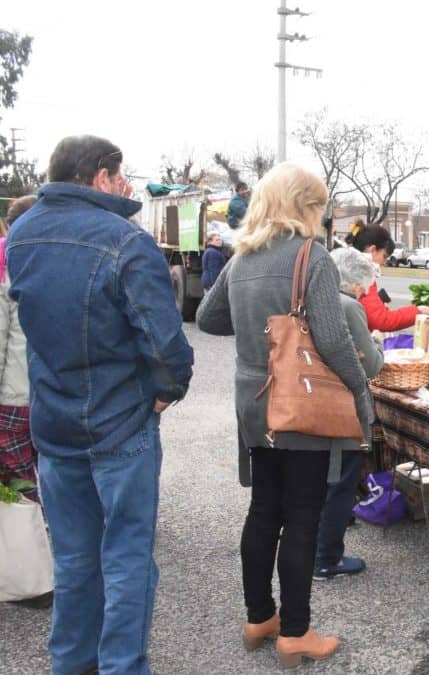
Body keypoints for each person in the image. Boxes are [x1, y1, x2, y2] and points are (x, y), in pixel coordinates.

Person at [6, 135, 194, 675]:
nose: (127, 185)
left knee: (74, 561)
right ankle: (120, 668)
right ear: (96, 176)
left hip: (54, 423)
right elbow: (167, 346)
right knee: (127, 558)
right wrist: (165, 394)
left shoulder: (21, 235)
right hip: (121, 426)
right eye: (119, 175)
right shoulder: (125, 241)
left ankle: (70, 664)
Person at [196, 162, 373, 669]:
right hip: (302, 401)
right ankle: (296, 632)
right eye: (318, 206)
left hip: (254, 404)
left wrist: (260, 333)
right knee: (303, 516)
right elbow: (336, 342)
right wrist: (362, 393)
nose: (322, 216)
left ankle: (260, 619)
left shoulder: (242, 255)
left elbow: (208, 318)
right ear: (303, 205)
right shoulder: (310, 258)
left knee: (263, 512)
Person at [314, 246, 384, 581]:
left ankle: (312, 547)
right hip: (345, 409)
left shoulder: (313, 298)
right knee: (342, 483)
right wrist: (379, 345)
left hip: (315, 403)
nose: (364, 290)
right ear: (355, 282)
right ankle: (328, 557)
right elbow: (370, 365)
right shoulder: (350, 306)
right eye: (364, 285)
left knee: (318, 480)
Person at [0, 195, 38, 503]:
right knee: (53, 471)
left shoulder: (5, 264)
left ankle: (30, 538)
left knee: (19, 484)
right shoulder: (55, 259)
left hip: (12, 401)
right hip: (52, 392)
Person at [351, 222, 429, 332]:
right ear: (372, 250)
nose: (384, 262)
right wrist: (418, 311)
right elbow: (382, 321)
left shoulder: (349, 267)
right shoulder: (363, 276)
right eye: (384, 256)